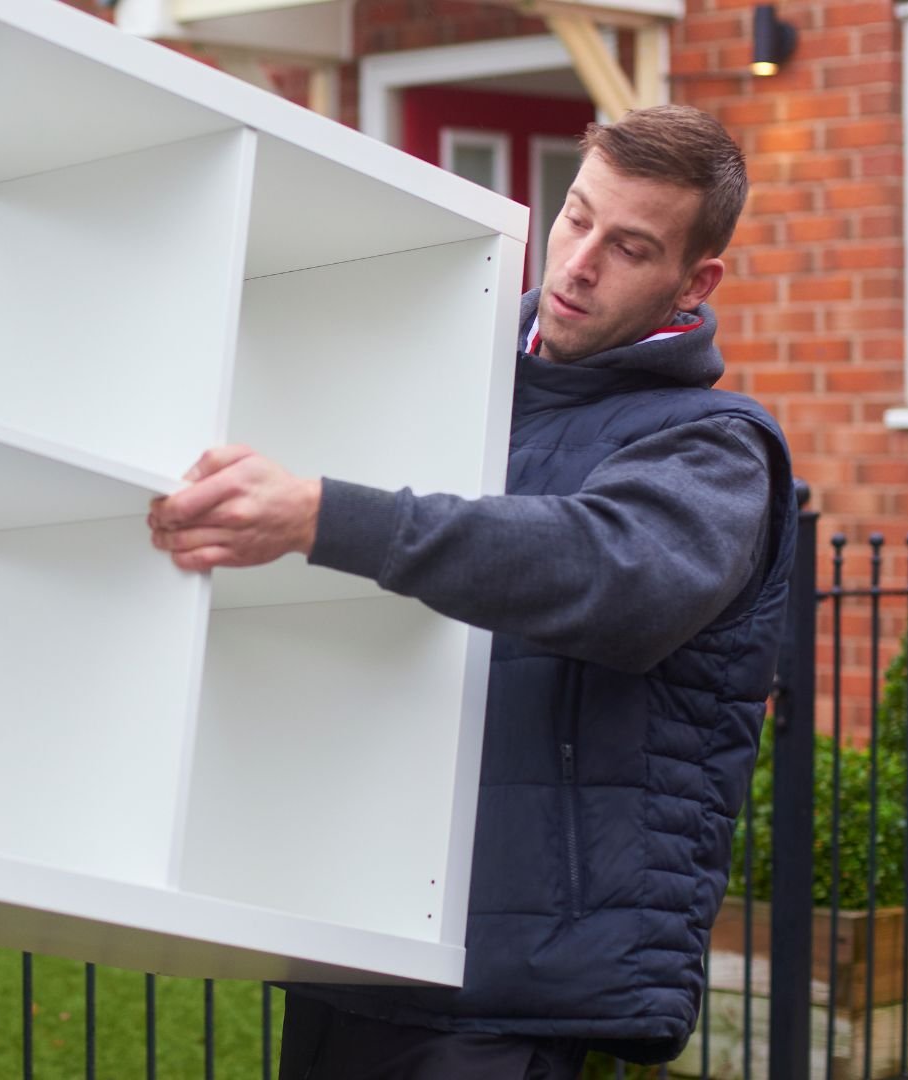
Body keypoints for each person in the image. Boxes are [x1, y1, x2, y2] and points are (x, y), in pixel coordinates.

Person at [148, 104, 798, 1078]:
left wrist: (325, 515)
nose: (579, 264)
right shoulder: (445, 390)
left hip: (516, 987)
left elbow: (609, 573)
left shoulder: (715, 449)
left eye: (629, 248)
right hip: (356, 936)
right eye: (577, 218)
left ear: (693, 281)